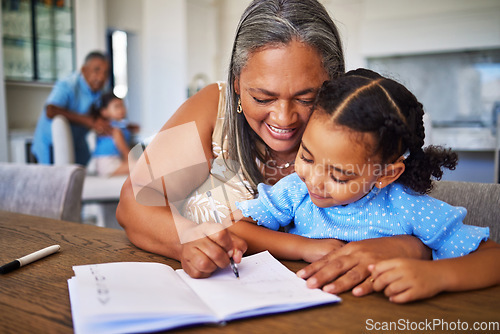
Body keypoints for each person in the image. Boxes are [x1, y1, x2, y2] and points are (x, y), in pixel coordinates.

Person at [117, 0, 431, 296]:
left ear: (336, 84)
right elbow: (135, 202)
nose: (283, 118)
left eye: (306, 99)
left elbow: (412, 215)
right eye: (263, 98)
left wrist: (411, 246)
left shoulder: (359, 134)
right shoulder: (214, 107)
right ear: (237, 84)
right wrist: (186, 239)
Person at [235, 68, 500, 303]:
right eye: (306, 157)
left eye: (339, 176)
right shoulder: (295, 190)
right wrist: (304, 247)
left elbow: (493, 258)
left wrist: (436, 275)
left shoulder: (408, 206)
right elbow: (240, 229)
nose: (313, 181)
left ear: (386, 175)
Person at [31, 51, 111, 165]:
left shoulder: (99, 92)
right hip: (51, 145)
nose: (101, 77)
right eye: (97, 70)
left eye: (105, 73)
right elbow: (50, 110)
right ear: (84, 70)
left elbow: (96, 116)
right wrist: (88, 121)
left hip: (77, 144)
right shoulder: (68, 85)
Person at [89, 92, 137, 177]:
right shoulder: (115, 129)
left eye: (122, 105)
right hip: (108, 164)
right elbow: (124, 150)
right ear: (104, 112)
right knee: (142, 166)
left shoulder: (117, 126)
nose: (121, 109)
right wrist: (135, 163)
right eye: (116, 106)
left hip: (111, 162)